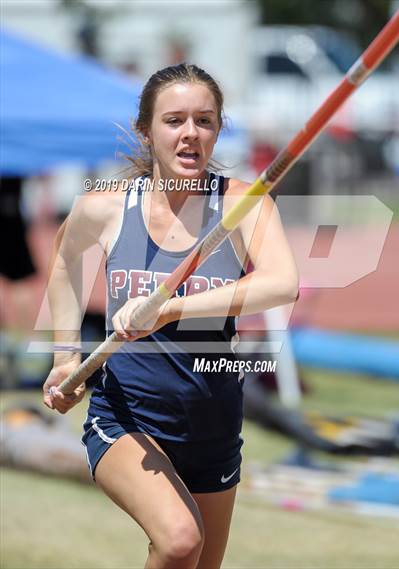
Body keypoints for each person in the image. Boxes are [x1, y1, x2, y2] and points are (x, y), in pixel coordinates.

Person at [43, 63, 299, 569]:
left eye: (204, 121)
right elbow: (64, 258)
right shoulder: (108, 206)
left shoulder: (243, 204)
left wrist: (170, 308)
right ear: (146, 130)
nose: (190, 134)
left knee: (197, 562)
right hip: (127, 419)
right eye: (174, 120)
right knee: (181, 540)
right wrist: (64, 356)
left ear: (218, 129)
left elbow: (280, 283)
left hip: (214, 425)